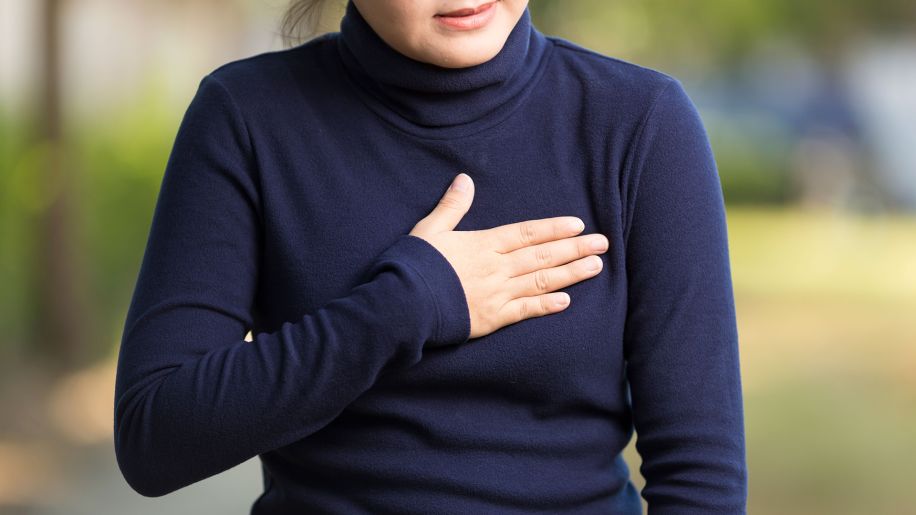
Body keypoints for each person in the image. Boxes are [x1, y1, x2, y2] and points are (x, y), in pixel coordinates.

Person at [113, 0, 748, 513]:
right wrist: (406, 306)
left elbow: (701, 479)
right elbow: (155, 437)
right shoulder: (246, 118)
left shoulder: (638, 124)